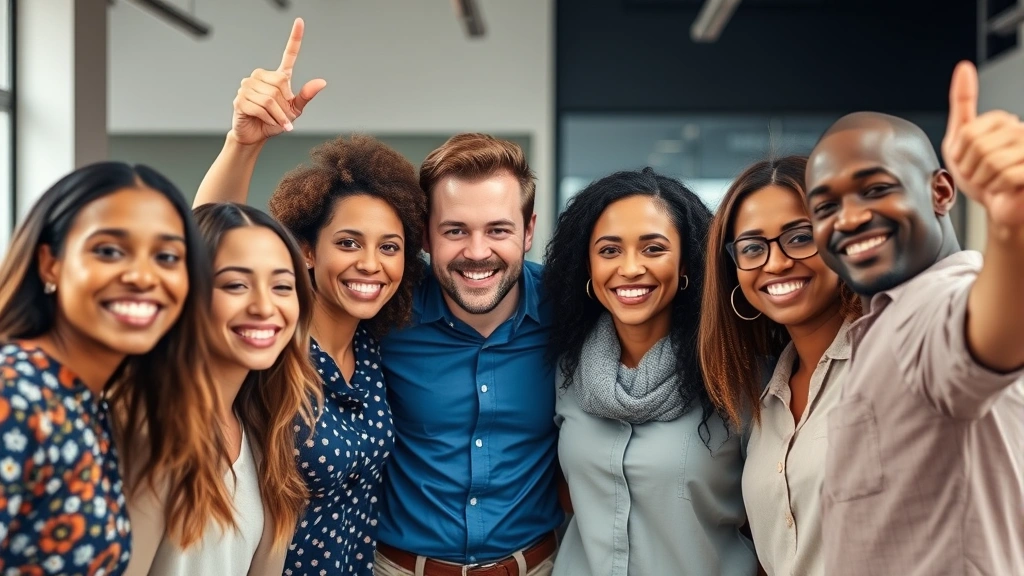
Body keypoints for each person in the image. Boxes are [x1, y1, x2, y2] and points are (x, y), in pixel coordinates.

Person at [197, 17, 562, 575]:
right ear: (427, 238)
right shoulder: (374, 310)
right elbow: (214, 253)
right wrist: (242, 142)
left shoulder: (572, 312)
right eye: (455, 230)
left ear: (529, 231)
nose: (477, 251)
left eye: (499, 230)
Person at [193, 20, 427, 575]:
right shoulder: (269, 343)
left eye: (389, 247)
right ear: (305, 251)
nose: (371, 264)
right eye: (348, 243)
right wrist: (243, 142)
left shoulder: (373, 347)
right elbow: (206, 247)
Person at [803, 61, 1024, 575]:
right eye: (825, 206)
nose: (850, 218)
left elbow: (984, 340)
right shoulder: (880, 322)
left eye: (876, 189)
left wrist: (1011, 230)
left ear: (941, 192)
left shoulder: (934, 307)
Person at [0, 162, 232, 573]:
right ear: (50, 264)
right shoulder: (15, 396)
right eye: (108, 250)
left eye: (166, 256)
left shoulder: (87, 403)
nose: (143, 276)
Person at [544, 167, 757, 576]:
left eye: (653, 249)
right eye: (609, 251)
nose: (630, 268)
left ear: (686, 263)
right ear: (586, 266)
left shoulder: (735, 376)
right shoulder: (566, 372)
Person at [123, 203, 322, 575]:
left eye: (282, 286)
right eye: (235, 285)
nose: (265, 306)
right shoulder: (149, 430)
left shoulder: (265, 433)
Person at [698, 156, 860, 576]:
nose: (776, 262)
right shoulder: (765, 397)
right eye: (753, 247)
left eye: (801, 237)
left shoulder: (897, 358)